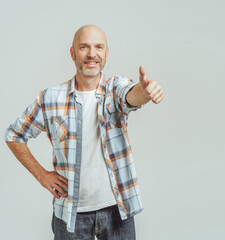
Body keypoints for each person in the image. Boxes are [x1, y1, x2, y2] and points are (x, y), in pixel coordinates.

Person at [4, 25, 164, 239]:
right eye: (84, 47)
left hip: (117, 210)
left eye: (99, 47)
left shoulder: (116, 88)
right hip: (70, 214)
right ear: (72, 53)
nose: (92, 54)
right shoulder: (50, 99)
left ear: (106, 53)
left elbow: (130, 97)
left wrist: (144, 93)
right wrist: (42, 176)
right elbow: (14, 135)